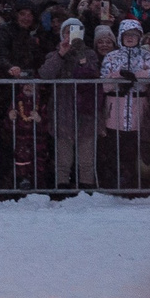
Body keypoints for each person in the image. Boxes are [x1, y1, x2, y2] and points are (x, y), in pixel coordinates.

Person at [99, 18, 150, 187]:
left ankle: (134, 182)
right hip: (115, 111)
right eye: (127, 34)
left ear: (139, 37)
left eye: (134, 35)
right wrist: (119, 76)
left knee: (135, 148)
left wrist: (137, 75)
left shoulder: (146, 56)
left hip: (138, 111)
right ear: (120, 36)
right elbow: (104, 83)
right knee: (114, 149)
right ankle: (115, 181)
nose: (130, 38)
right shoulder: (111, 57)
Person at [39, 19, 102, 191]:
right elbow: (45, 74)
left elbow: (93, 74)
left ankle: (87, 189)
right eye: (67, 31)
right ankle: (62, 189)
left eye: (75, 31)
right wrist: (61, 53)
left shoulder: (89, 54)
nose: (70, 35)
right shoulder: (55, 54)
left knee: (86, 159)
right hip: (63, 110)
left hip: (86, 112)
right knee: (63, 158)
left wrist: (81, 56)